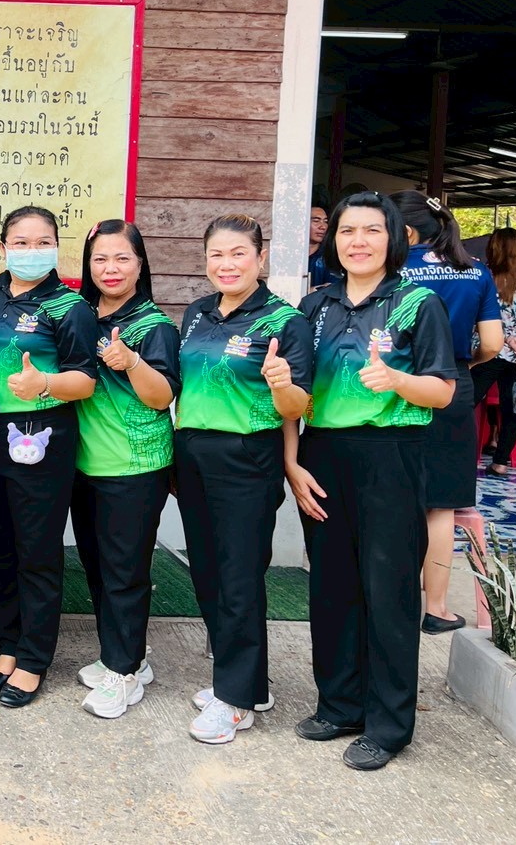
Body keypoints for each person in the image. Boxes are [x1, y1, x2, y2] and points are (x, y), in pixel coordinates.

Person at [288, 191, 457, 770]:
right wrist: (293, 463)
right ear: (333, 240)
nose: (357, 241)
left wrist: (397, 381)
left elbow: (442, 391)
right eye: (346, 230)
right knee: (332, 585)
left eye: (371, 230)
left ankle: (388, 725)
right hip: (323, 453)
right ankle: (339, 705)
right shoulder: (315, 305)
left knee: (388, 589)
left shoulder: (417, 304)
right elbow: (296, 394)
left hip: (391, 454)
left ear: (394, 238)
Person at [174, 214, 312, 745]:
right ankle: (246, 682)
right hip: (194, 454)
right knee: (207, 571)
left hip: (247, 458)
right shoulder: (197, 312)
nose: (226, 264)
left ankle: (234, 700)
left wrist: (280, 383)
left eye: (238, 254)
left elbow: (297, 407)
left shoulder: (285, 321)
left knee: (238, 577)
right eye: (217, 254)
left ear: (261, 258)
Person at [0, 205, 98, 708]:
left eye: (42, 242)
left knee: (36, 551)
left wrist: (44, 383)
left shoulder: (71, 307)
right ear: (3, 247)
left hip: (40, 438)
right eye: (20, 242)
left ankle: (34, 659)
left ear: (57, 248)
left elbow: (85, 379)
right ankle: (9, 646)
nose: (31, 251)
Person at [71, 220, 181, 720]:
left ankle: (124, 671)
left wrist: (132, 362)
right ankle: (124, 654)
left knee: (124, 573)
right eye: (100, 259)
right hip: (84, 463)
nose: (110, 268)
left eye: (121, 258)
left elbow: (162, 397)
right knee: (97, 566)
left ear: (140, 264)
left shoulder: (153, 326)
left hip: (134, 466)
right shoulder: (80, 314)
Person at [392, 191, 502, 635]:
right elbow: (492, 343)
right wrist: (463, 365)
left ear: (404, 231)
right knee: (440, 507)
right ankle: (436, 608)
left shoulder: (390, 268)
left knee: (393, 496)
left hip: (394, 385)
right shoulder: (476, 271)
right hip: (453, 383)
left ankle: (390, 603)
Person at [473, 227, 516, 476]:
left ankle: (458, 450)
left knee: (465, 400)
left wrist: (506, 339)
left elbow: (475, 318)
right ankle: (501, 462)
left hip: (488, 349)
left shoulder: (483, 276)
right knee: (513, 406)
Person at [308, 199, 337, 291]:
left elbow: (334, 287)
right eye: (316, 221)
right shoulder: (290, 255)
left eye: (325, 221)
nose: (323, 227)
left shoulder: (329, 256)